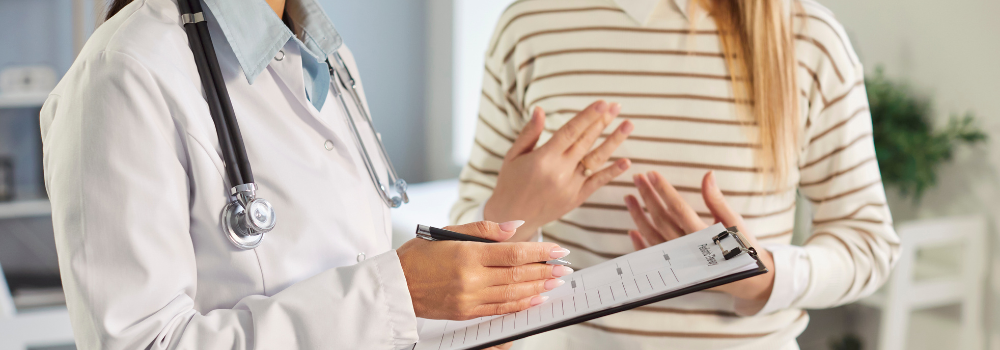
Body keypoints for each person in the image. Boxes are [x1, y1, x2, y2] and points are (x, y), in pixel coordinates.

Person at [35, 0, 621, 348]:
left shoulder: (327, 59)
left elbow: (348, 277)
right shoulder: (124, 72)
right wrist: (400, 289)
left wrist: (461, 279)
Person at [451, 0, 900, 348]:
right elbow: (458, 241)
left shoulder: (810, 38)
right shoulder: (531, 23)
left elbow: (868, 243)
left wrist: (763, 277)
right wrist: (513, 213)